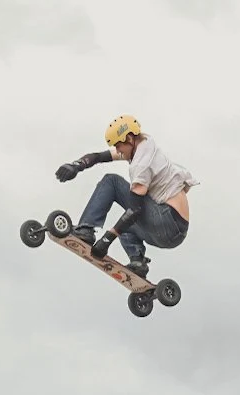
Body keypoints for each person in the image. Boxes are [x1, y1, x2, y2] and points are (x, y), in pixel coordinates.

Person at [54, 115, 196, 277]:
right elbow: (100, 157)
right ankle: (137, 261)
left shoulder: (142, 164)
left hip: (167, 221)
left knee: (112, 182)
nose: (118, 150)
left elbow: (135, 211)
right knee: (125, 222)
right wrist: (77, 165)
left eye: (119, 145)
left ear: (129, 138)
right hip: (172, 234)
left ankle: (86, 229)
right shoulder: (142, 145)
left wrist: (107, 239)